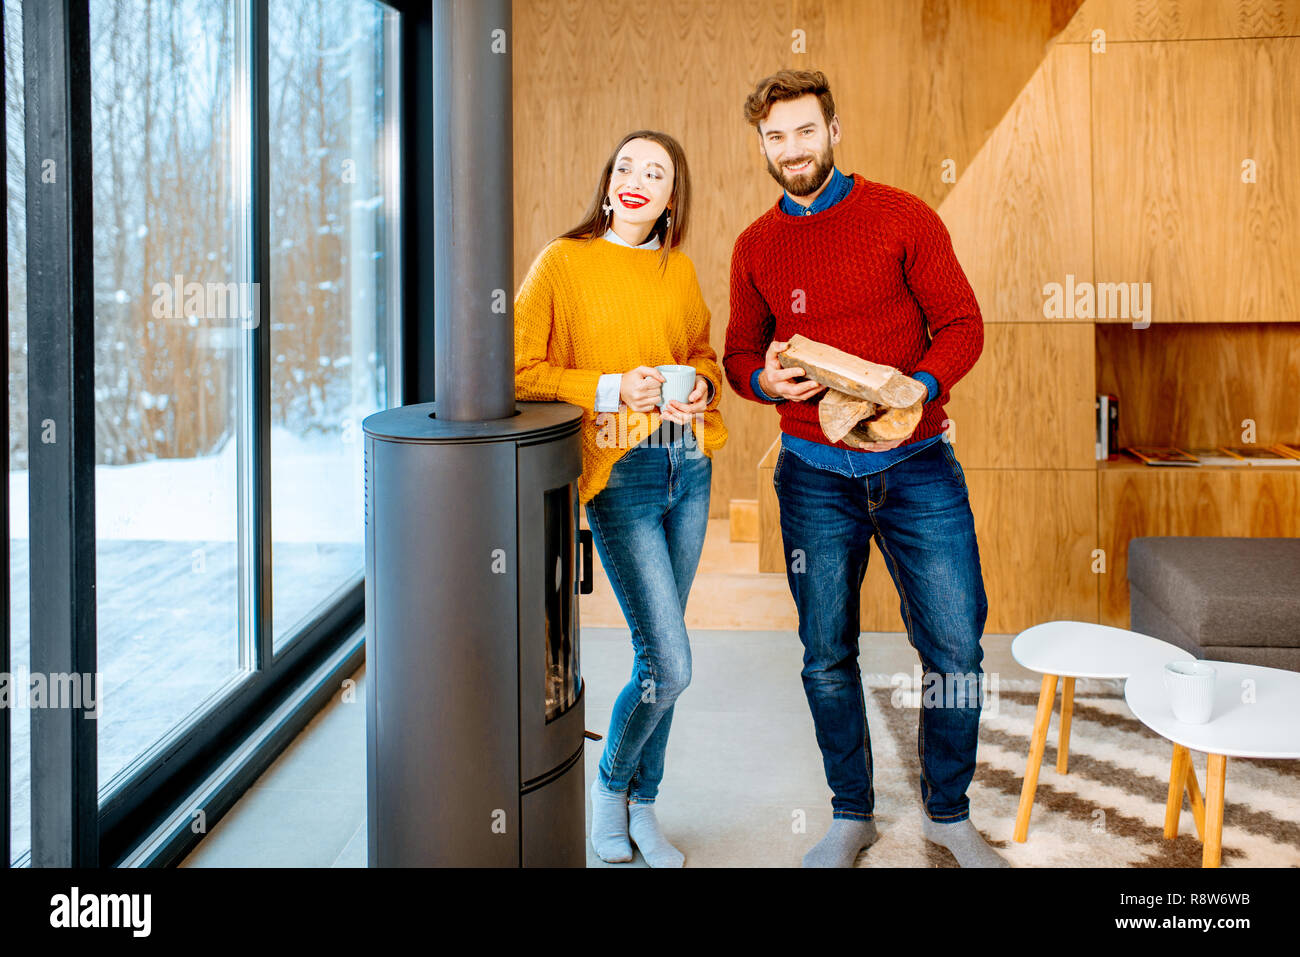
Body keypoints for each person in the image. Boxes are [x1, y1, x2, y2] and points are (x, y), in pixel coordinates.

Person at [723, 69, 1006, 868]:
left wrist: (909, 388)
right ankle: (852, 812)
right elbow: (741, 350)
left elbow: (960, 323)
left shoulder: (902, 216)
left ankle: (949, 813)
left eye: (805, 132)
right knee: (825, 651)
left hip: (918, 466)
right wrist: (761, 380)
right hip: (811, 475)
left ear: (834, 131)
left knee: (955, 645)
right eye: (775, 138)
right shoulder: (756, 245)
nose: (791, 151)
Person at [514, 130, 727, 867]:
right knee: (669, 662)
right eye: (628, 166)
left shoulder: (679, 268)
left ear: (674, 197)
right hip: (622, 475)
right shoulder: (562, 262)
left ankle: (645, 804)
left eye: (658, 172)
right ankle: (610, 787)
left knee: (658, 659)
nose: (639, 179)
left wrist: (700, 382)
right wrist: (608, 386)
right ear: (608, 184)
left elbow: (703, 351)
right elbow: (517, 367)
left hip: (688, 466)